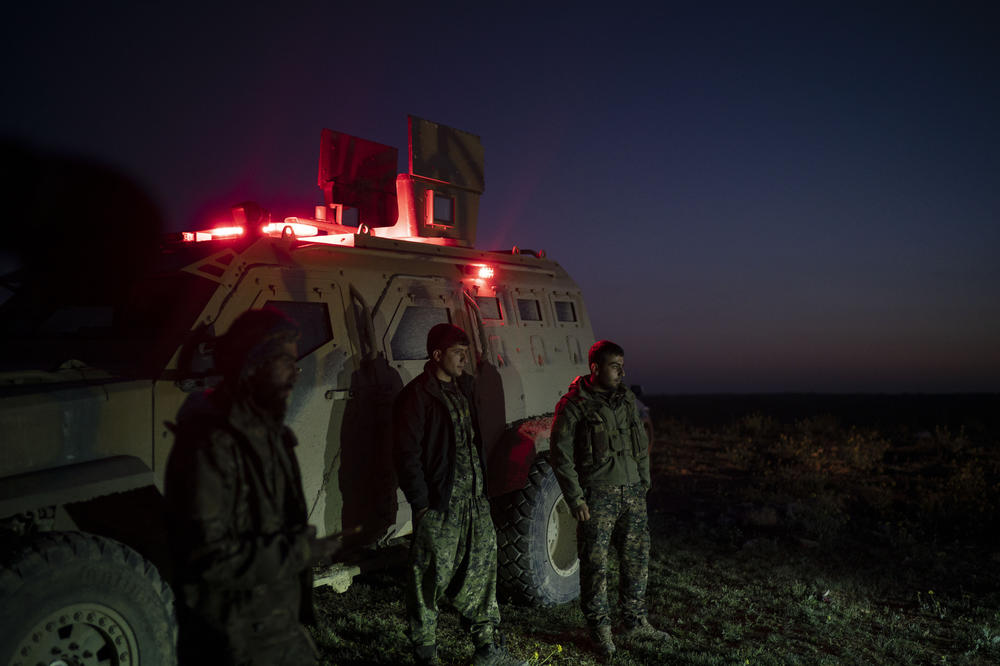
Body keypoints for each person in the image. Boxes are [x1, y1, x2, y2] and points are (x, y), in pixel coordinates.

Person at [165, 308, 341, 666]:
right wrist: (299, 552)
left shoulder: (269, 433)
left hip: (271, 622)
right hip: (234, 636)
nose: (295, 374)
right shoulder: (211, 443)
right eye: (285, 362)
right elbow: (208, 557)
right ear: (253, 365)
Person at [393, 323, 526, 666]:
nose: (464, 359)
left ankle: (486, 649)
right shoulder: (417, 396)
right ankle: (426, 653)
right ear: (437, 355)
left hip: (475, 500)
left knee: (483, 571)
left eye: (465, 353)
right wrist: (421, 504)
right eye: (457, 353)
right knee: (429, 578)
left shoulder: (465, 388)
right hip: (440, 505)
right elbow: (406, 455)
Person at [549, 340, 671, 660]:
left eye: (622, 366)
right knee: (595, 566)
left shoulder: (626, 399)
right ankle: (600, 631)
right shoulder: (574, 405)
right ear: (595, 368)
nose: (621, 372)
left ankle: (634, 621)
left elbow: (639, 441)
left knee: (636, 560)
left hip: (632, 493)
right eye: (615, 366)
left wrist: (643, 482)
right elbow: (560, 455)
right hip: (597, 496)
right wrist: (576, 498)